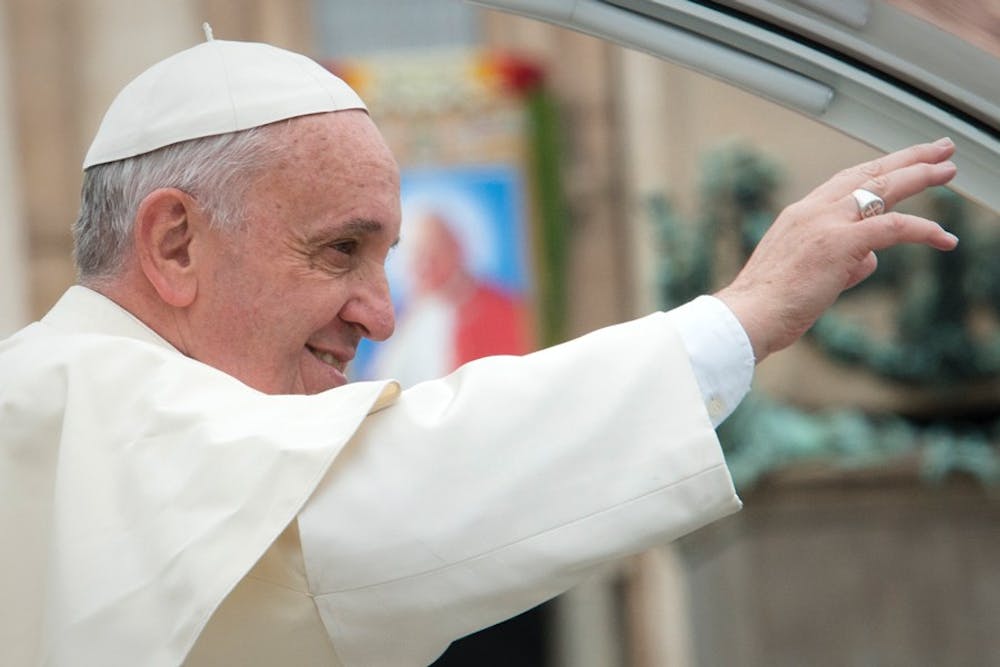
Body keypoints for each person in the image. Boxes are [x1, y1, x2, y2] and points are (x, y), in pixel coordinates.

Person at [0, 35, 959, 667]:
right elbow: (416, 480)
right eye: (340, 249)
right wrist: (741, 317)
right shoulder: (97, 414)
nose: (380, 314)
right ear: (174, 245)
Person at [372, 209, 533, 386]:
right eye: (418, 257)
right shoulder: (411, 317)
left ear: (457, 250)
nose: (425, 266)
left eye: (433, 255)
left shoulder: (501, 310)